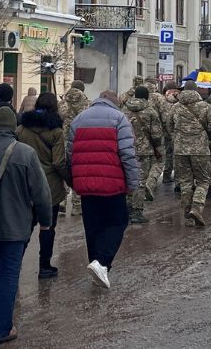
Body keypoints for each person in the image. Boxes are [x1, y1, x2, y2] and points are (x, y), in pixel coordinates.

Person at [0, 106, 54, 344]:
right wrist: (46, 221)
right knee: (9, 275)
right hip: (16, 225)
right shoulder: (25, 153)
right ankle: (1, 328)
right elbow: (42, 193)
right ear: (13, 127)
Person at [67, 90, 139, 287]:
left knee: (93, 226)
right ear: (114, 102)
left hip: (85, 184)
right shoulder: (119, 119)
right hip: (112, 184)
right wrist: (133, 183)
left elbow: (69, 153)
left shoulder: (78, 119)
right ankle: (102, 262)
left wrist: (74, 180)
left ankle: (97, 265)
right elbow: (127, 154)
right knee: (118, 221)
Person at [16, 93, 69, 277]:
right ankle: (44, 266)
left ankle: (15, 264)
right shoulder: (56, 131)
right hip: (50, 187)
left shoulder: (22, 128)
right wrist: (70, 180)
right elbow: (59, 162)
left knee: (25, 226)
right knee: (48, 227)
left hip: (26, 184)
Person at [171, 82, 211, 224]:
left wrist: (177, 137)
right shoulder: (205, 106)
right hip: (200, 150)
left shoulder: (175, 107)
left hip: (180, 150)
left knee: (185, 182)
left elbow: (168, 126)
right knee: (203, 181)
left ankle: (188, 216)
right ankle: (197, 208)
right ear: (196, 91)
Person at [121, 86, 163, 224]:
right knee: (140, 181)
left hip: (126, 149)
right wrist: (158, 148)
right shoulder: (151, 111)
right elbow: (156, 134)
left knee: (127, 178)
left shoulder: (124, 110)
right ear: (146, 97)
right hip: (144, 151)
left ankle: (126, 208)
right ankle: (137, 211)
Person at [59, 80, 91, 215]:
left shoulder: (62, 103)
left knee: (64, 169)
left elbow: (58, 119)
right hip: (80, 141)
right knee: (79, 171)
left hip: (64, 140)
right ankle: (77, 205)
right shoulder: (88, 104)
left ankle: (62, 200)